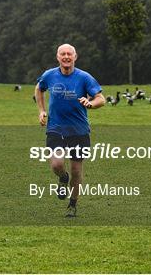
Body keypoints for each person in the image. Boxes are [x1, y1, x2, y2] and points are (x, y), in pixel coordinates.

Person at [35, 43, 105, 217]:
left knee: (76, 170)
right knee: (57, 164)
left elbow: (101, 98)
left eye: (69, 54)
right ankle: (62, 178)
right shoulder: (49, 75)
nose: (66, 57)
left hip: (79, 130)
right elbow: (39, 89)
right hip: (55, 127)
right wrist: (42, 111)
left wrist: (91, 104)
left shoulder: (84, 77)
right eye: (62, 54)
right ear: (58, 57)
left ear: (75, 57)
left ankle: (72, 204)